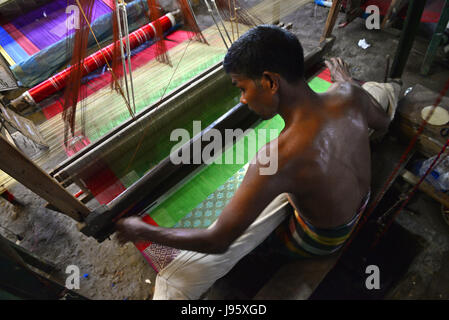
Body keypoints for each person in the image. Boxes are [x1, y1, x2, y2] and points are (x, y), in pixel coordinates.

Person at [115, 25, 401, 299]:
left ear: (270, 81)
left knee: (258, 243)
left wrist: (142, 230)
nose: (241, 100)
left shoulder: (276, 158)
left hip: (325, 241)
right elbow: (384, 122)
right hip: (360, 201)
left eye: (241, 87)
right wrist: (347, 83)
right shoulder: (351, 94)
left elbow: (218, 241)